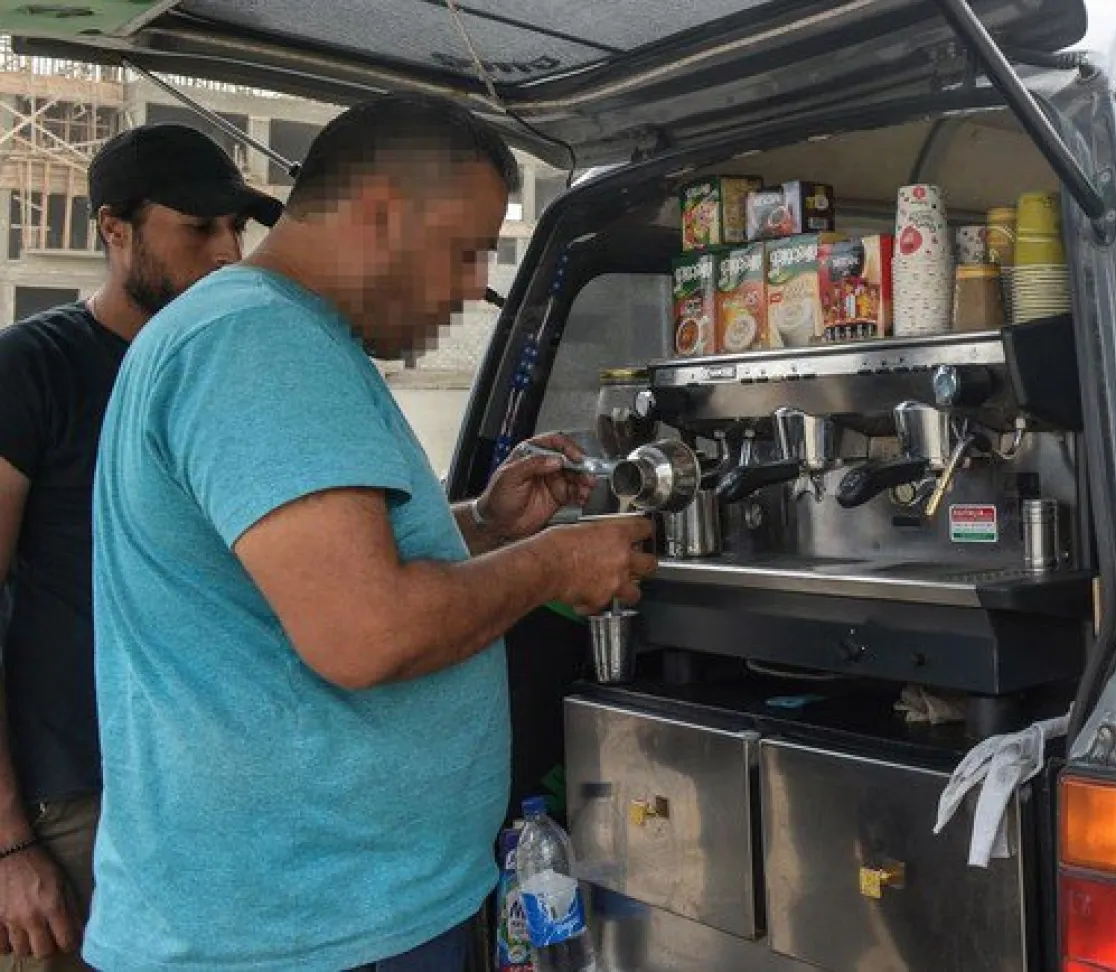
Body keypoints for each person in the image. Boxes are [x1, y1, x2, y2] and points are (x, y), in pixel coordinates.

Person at [85, 93, 656, 971]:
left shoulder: (264, 333)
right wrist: (552, 562)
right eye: (466, 251)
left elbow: (306, 574)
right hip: (299, 931)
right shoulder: (258, 341)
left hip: (320, 912)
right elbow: (367, 632)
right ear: (383, 213)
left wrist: (486, 525)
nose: (473, 286)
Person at [0, 124, 282, 970]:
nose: (229, 252)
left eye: (237, 227)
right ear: (113, 230)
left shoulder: (227, 374)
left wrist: (482, 521)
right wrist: (9, 847)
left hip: (215, 798)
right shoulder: (32, 369)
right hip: (77, 805)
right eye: (198, 229)